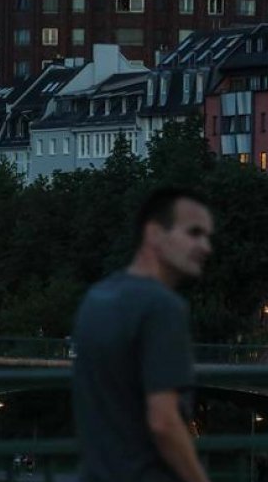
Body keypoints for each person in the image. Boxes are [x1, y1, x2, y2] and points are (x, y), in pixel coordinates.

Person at [72, 187, 215, 482]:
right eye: (194, 233)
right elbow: (163, 421)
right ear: (154, 234)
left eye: (207, 236)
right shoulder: (162, 307)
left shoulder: (96, 297)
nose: (206, 246)